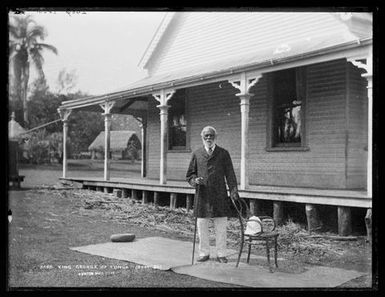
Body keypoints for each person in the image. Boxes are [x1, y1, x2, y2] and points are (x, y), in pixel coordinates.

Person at [186, 126, 239, 263]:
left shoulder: (223, 153)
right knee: (202, 225)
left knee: (221, 226)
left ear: (215, 137)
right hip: (202, 196)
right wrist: (194, 180)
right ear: (202, 137)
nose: (208, 138)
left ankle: (221, 254)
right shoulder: (197, 154)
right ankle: (204, 253)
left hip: (219, 195)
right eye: (206, 136)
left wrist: (233, 190)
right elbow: (190, 174)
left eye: (211, 136)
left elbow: (230, 174)